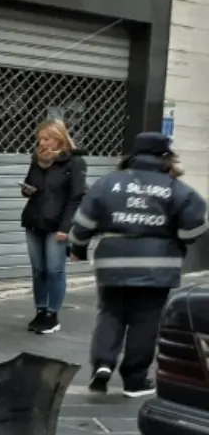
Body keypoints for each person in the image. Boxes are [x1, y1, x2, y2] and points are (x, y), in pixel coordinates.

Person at [70, 132, 207, 397]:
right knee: (146, 320)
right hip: (157, 267)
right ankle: (134, 380)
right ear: (166, 157)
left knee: (110, 312)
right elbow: (193, 230)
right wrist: (175, 237)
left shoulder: (109, 183)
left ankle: (103, 364)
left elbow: (83, 222)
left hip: (113, 263)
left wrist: (78, 248)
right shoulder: (176, 189)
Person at [20, 119, 88, 334]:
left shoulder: (75, 162)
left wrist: (65, 228)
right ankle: (40, 310)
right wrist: (27, 190)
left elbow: (77, 197)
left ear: (59, 139)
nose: (42, 143)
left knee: (54, 270)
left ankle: (52, 315)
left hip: (57, 224)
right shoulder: (37, 160)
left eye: (47, 139)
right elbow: (29, 184)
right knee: (38, 270)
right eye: (40, 139)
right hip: (34, 220)